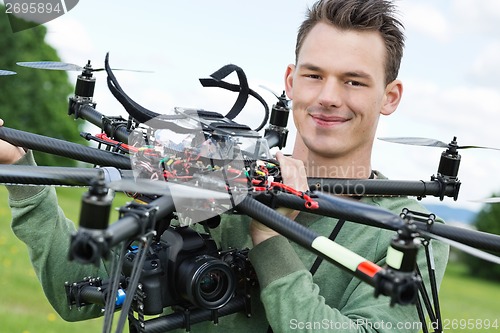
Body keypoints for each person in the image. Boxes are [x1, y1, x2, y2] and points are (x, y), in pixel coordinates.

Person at [2, 0, 449, 332]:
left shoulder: (407, 232)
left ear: (389, 96)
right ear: (291, 81)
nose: (329, 96)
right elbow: (75, 293)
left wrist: (270, 238)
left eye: (354, 81)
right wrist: (22, 175)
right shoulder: (219, 176)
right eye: (314, 75)